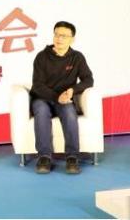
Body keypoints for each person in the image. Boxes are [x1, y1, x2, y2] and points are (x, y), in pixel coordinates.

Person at [30, 21, 93, 175]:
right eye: (57, 34)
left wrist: (73, 90)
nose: (59, 38)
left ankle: (72, 157)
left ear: (72, 39)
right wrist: (56, 97)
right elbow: (38, 85)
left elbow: (88, 80)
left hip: (64, 99)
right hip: (43, 98)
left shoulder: (77, 58)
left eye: (64, 36)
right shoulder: (42, 57)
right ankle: (44, 157)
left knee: (70, 113)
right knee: (41, 111)